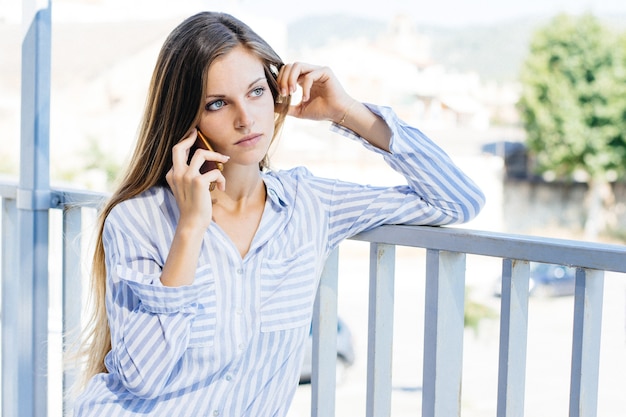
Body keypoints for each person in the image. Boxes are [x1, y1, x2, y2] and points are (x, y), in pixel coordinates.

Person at [72, 10, 485, 416]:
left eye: (256, 92)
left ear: (276, 95)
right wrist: (191, 228)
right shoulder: (136, 220)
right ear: (185, 118)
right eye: (217, 103)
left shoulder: (310, 204)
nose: (245, 118)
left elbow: (457, 200)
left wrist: (347, 111)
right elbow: (143, 378)